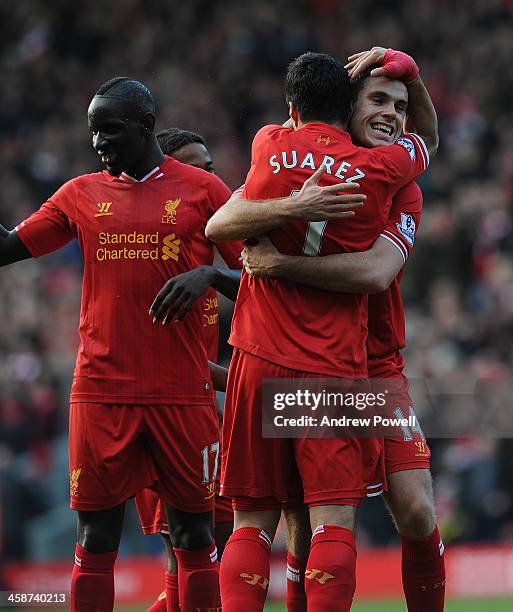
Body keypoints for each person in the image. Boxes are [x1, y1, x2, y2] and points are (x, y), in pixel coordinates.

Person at [0, 77, 245, 612]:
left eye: (109, 130)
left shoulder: (203, 190)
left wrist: (208, 278)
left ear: (145, 125)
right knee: (95, 539)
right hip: (101, 391)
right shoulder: (80, 194)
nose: (99, 143)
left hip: (181, 391)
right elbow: (6, 249)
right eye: (93, 133)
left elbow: (258, 276)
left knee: (194, 538)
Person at [206, 50, 436, 611]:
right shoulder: (381, 172)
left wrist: (282, 262)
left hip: (377, 365)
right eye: (378, 101)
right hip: (334, 358)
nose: (392, 115)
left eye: (401, 106)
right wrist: (293, 205)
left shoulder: (394, 185)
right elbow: (223, 222)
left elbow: (378, 272)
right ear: (347, 107)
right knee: (308, 521)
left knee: (416, 509)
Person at [134, 127, 238, 612]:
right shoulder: (160, 265)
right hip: (169, 421)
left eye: (212, 167)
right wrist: (247, 379)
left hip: (202, 419)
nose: (210, 179)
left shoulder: (203, 260)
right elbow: (188, 362)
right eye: (199, 168)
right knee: (195, 551)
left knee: (194, 555)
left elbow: (260, 281)